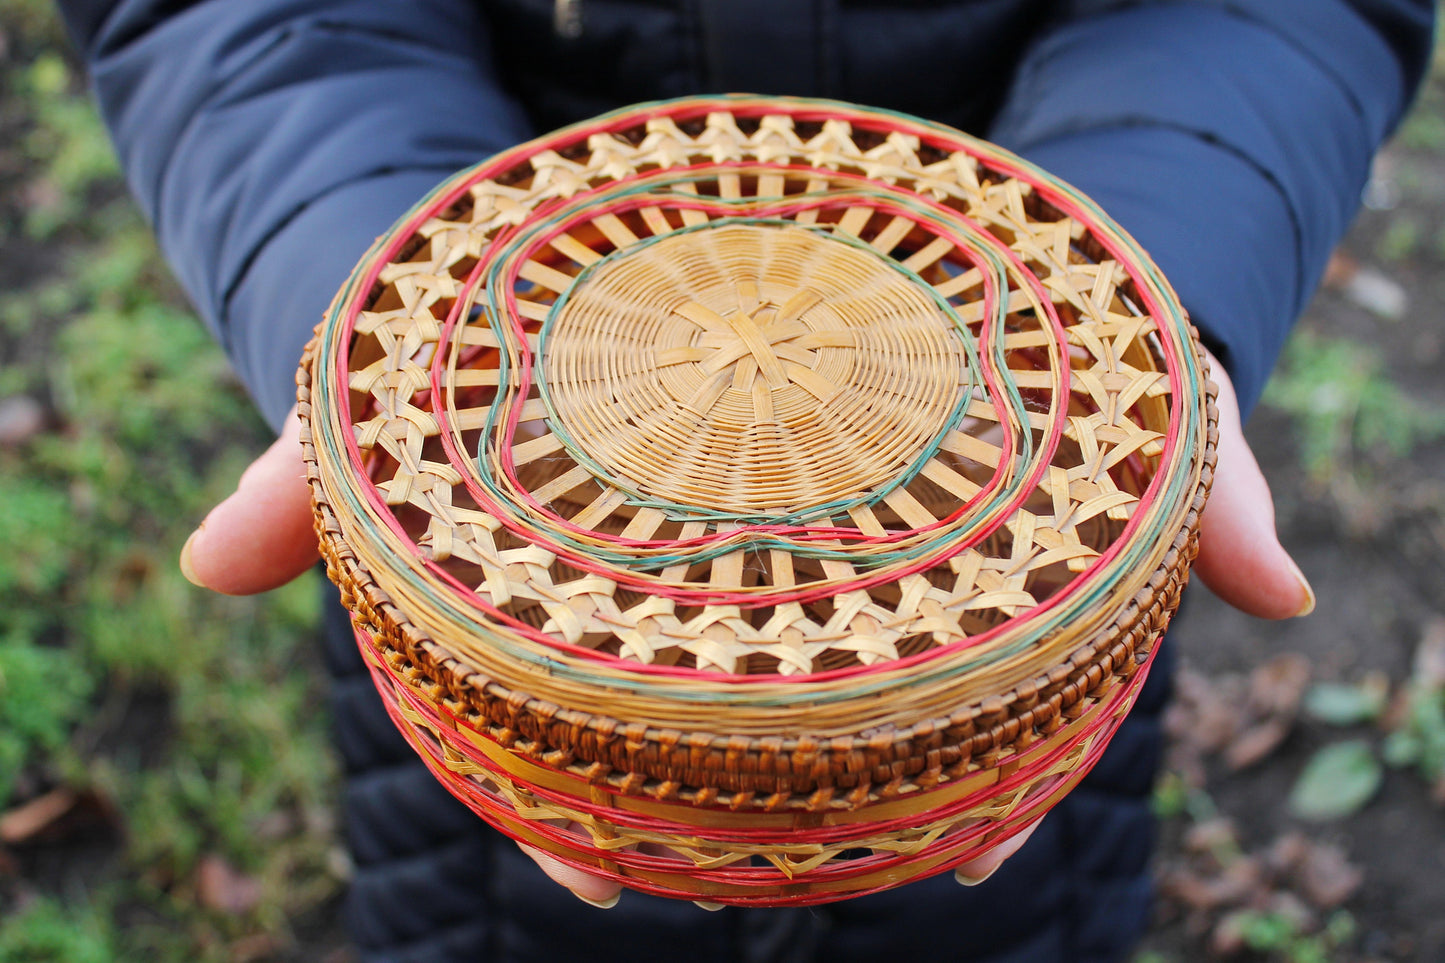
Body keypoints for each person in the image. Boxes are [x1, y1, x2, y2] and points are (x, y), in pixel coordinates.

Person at [57, 1, 1434, 960]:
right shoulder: (456, 432)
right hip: (495, 450)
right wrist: (362, 297)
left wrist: (1149, 295)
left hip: (1018, 459)